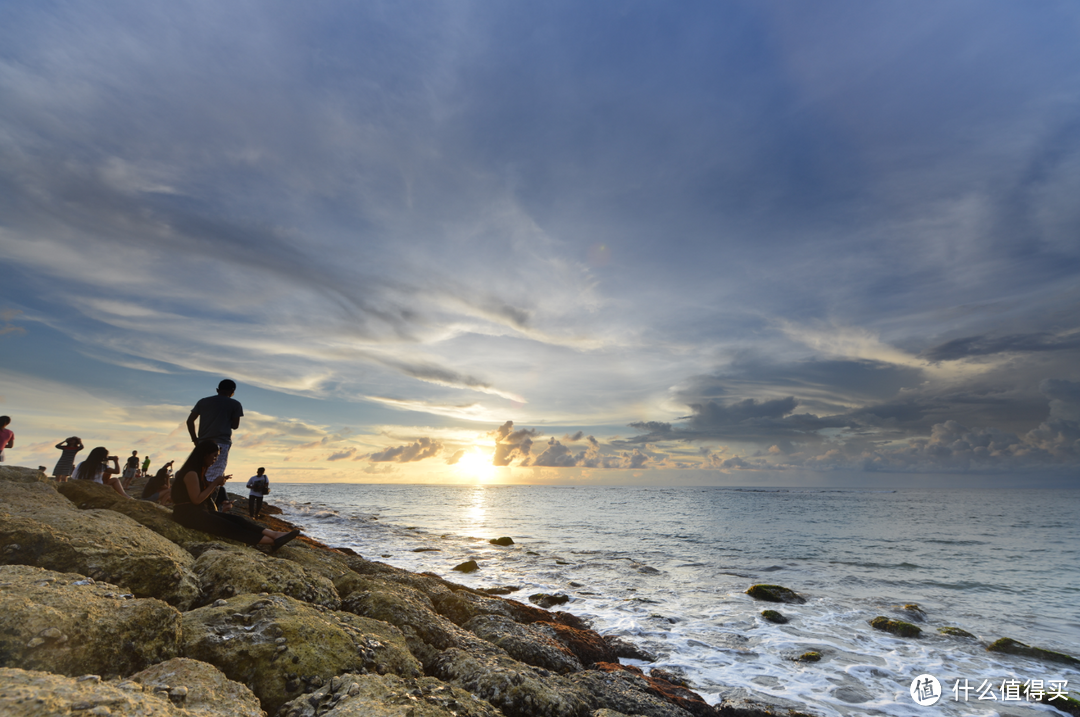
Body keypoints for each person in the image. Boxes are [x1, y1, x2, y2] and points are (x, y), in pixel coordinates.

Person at [170, 440, 298, 549]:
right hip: (187, 514)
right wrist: (214, 483)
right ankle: (272, 541)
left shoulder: (197, 472)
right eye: (214, 456)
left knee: (238, 520)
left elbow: (198, 493)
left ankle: (274, 534)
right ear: (204, 455)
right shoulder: (191, 473)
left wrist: (216, 483)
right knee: (229, 527)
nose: (215, 460)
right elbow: (196, 499)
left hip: (195, 512)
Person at [186, 379, 243, 484]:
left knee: (200, 471)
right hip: (221, 442)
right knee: (214, 477)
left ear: (217, 390)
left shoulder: (203, 401)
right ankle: (208, 498)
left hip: (203, 442)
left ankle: (195, 495)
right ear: (232, 392)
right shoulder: (235, 404)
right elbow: (235, 426)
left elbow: (190, 421)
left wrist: (195, 439)